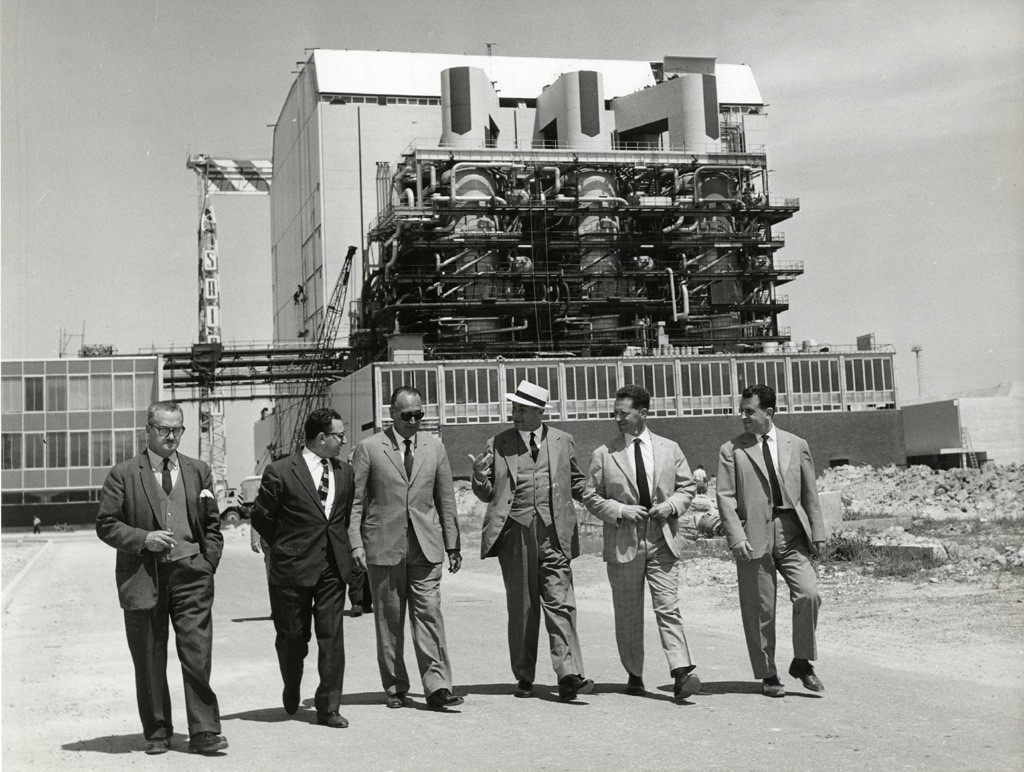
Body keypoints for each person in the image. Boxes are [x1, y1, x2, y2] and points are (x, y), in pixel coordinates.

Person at [95, 401, 227, 755]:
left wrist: (207, 563)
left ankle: (204, 731)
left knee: (197, 653)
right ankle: (157, 732)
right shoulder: (123, 474)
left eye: (177, 429)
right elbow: (106, 524)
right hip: (144, 576)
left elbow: (212, 524)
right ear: (148, 431)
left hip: (191, 575)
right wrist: (143, 539)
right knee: (149, 658)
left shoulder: (198, 471)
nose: (172, 436)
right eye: (164, 429)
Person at [470, 380, 593, 702]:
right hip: (515, 534)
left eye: (522, 409)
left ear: (540, 412)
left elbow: (576, 481)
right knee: (523, 608)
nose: (515, 414)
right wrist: (479, 476)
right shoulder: (498, 443)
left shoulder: (563, 441)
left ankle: (568, 674)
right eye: (514, 408)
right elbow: (487, 493)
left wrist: (601, 500)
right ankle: (524, 676)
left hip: (555, 534)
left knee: (560, 603)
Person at [583, 384, 701, 702]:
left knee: (668, 606)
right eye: (615, 413)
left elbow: (687, 487)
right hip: (624, 540)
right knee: (628, 612)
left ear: (643, 413)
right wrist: (620, 510)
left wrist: (671, 506)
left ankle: (681, 672)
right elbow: (590, 496)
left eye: (624, 413)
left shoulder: (669, 449)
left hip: (662, 538)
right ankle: (634, 673)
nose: (617, 418)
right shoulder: (604, 454)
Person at [349, 386, 463, 711]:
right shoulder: (370, 448)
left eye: (419, 415)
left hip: (426, 546)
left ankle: (437, 686)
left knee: (429, 614)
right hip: (384, 546)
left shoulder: (435, 447)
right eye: (407, 415)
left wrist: (453, 544)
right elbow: (355, 502)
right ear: (392, 414)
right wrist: (355, 543)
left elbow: (446, 500)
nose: (414, 421)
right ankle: (395, 686)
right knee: (389, 620)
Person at [716, 384, 826, 698]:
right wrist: (736, 536)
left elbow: (810, 493)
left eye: (749, 411)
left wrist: (818, 533)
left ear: (769, 412)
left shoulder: (797, 444)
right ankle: (768, 673)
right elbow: (725, 498)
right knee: (760, 608)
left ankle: (802, 661)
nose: (743, 416)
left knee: (809, 594)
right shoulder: (731, 450)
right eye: (741, 410)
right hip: (753, 536)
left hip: (792, 532)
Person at [251, 407, 355, 728]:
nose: (344, 440)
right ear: (321, 437)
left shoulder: (345, 472)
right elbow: (262, 517)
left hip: (332, 567)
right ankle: (292, 681)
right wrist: (286, 547)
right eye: (339, 435)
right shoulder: (280, 471)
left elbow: (342, 518)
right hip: (292, 567)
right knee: (293, 637)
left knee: (332, 637)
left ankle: (328, 707)